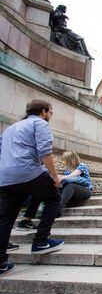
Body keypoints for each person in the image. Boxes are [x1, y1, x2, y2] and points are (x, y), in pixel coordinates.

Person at [0, 100, 64, 277]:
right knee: (53, 198)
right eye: (51, 112)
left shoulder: (11, 128)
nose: (50, 115)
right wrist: (54, 176)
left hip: (6, 177)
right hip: (28, 171)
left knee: (5, 218)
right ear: (43, 111)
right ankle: (41, 240)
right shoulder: (39, 123)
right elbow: (45, 151)